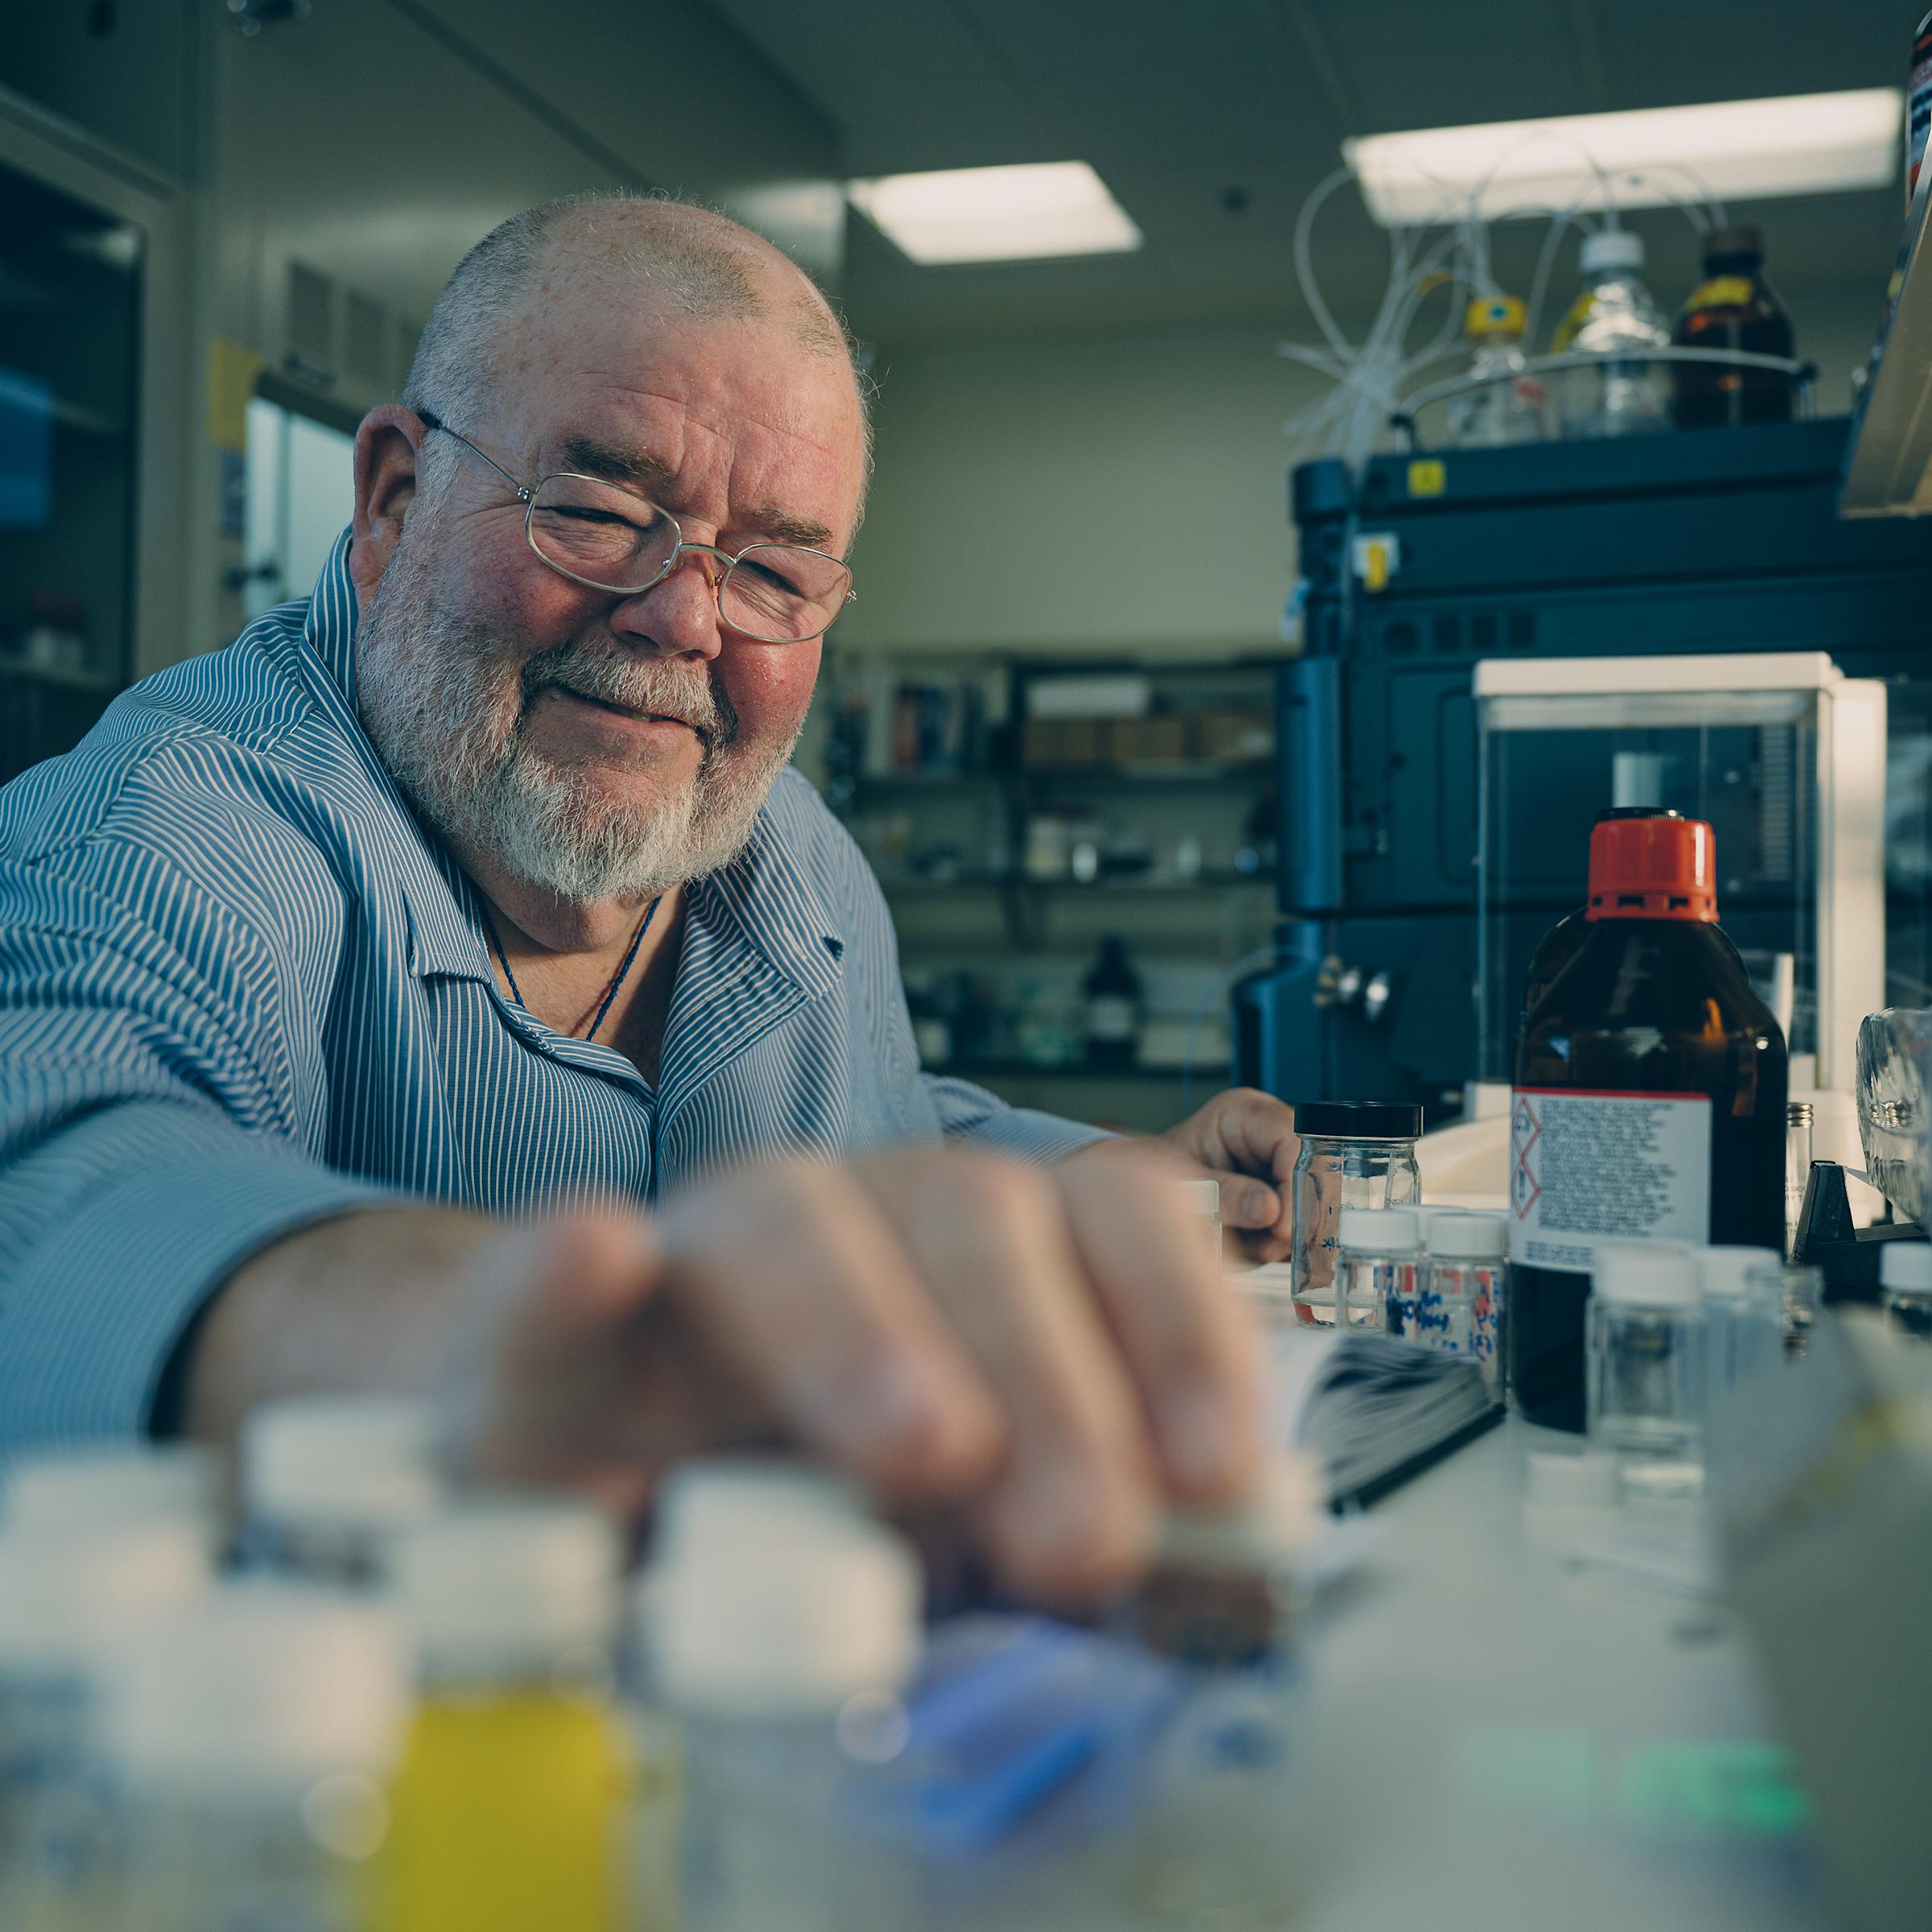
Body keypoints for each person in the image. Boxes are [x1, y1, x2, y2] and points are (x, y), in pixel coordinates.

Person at [0, 194, 1300, 1605]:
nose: (684, 618)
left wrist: (1089, 1178)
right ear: (392, 501)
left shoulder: (791, 851)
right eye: (601, 512)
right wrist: (523, 1349)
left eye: (775, 573)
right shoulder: (184, 820)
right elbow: (61, 1177)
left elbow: (874, 1117)